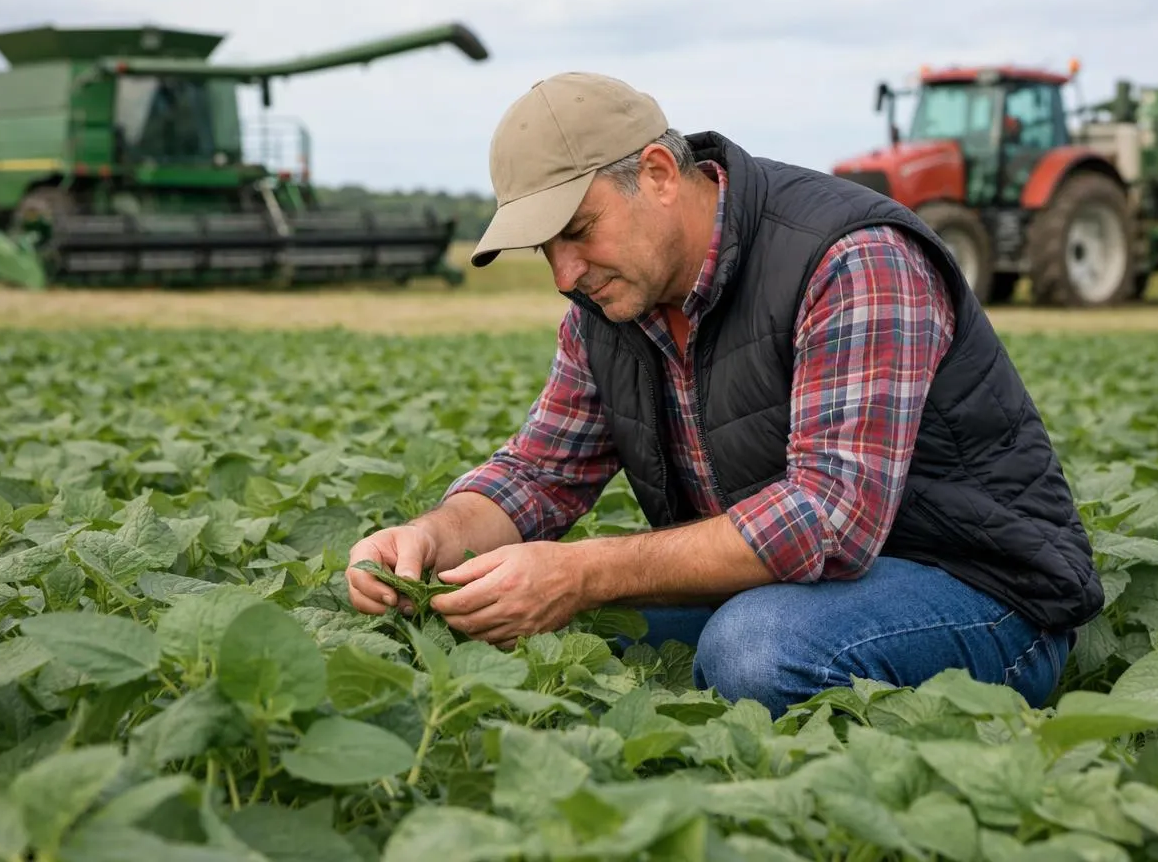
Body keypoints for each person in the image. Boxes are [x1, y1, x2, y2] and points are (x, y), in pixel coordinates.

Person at [345, 71, 1103, 718]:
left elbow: (827, 519)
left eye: (577, 231)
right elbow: (540, 472)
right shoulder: (611, 306)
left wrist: (580, 571)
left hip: (978, 591)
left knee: (753, 649)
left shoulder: (851, 258)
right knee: (529, 633)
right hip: (783, 588)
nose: (563, 274)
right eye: (546, 248)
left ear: (657, 175)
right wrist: (433, 539)